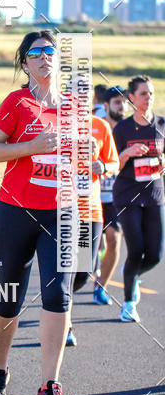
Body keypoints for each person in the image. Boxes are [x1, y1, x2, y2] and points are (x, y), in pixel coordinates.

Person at [0, 31, 75, 395]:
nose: (44, 56)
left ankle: (48, 387)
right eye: (35, 53)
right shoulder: (17, 102)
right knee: (10, 299)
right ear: (25, 64)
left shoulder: (73, 107)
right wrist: (31, 147)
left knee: (58, 296)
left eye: (50, 50)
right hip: (15, 212)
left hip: (61, 213)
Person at [112, 76, 165, 323]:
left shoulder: (162, 124)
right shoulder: (121, 129)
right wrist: (127, 152)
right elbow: (112, 165)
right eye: (143, 93)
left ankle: (131, 274)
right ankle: (128, 304)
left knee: (155, 255)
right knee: (136, 249)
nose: (148, 97)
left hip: (154, 195)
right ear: (131, 98)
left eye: (151, 93)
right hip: (127, 195)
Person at [67, 114, 119, 346]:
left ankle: (59, 301)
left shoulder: (100, 125)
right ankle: (64, 323)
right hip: (61, 210)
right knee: (65, 271)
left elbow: (114, 163)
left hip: (90, 211)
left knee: (83, 271)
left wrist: (103, 166)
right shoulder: (56, 123)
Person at [94, 87, 127, 305]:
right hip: (91, 197)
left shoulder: (130, 129)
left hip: (116, 197)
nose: (122, 107)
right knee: (95, 245)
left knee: (114, 240)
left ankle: (101, 286)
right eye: (117, 102)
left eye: (124, 102)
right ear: (105, 106)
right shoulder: (96, 126)